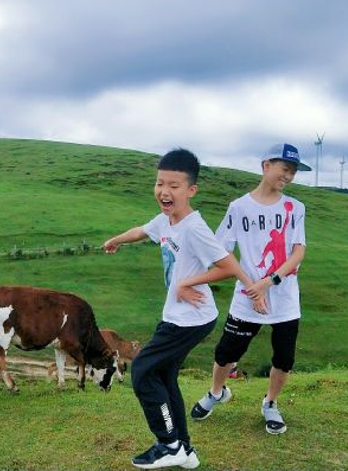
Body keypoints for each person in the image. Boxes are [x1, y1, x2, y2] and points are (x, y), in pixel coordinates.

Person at [103, 148, 257, 469]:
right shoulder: (166, 220)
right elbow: (141, 230)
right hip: (178, 315)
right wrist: (116, 239)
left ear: (191, 190)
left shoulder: (194, 228)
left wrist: (188, 283)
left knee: (143, 371)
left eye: (174, 185)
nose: (164, 191)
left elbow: (229, 266)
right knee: (166, 376)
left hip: (190, 318)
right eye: (160, 183)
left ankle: (169, 443)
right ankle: (185, 450)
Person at [190, 143, 311, 435]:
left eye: (293, 172)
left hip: (283, 299)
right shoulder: (238, 207)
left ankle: (270, 403)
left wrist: (268, 284)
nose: (289, 176)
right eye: (285, 169)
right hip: (247, 299)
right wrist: (251, 287)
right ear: (266, 165)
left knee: (284, 358)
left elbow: (298, 253)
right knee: (225, 354)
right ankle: (217, 392)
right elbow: (223, 252)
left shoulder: (295, 208)